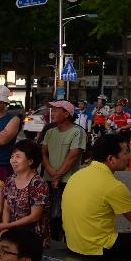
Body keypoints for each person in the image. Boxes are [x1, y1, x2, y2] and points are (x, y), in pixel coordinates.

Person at [41, 100, 86, 239]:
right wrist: (52, 172)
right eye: (52, 110)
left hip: (68, 181)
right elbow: (43, 154)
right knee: (48, 216)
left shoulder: (77, 131)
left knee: (63, 218)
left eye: (56, 110)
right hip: (48, 179)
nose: (52, 113)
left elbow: (73, 157)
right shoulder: (49, 132)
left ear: (66, 114)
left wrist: (58, 176)